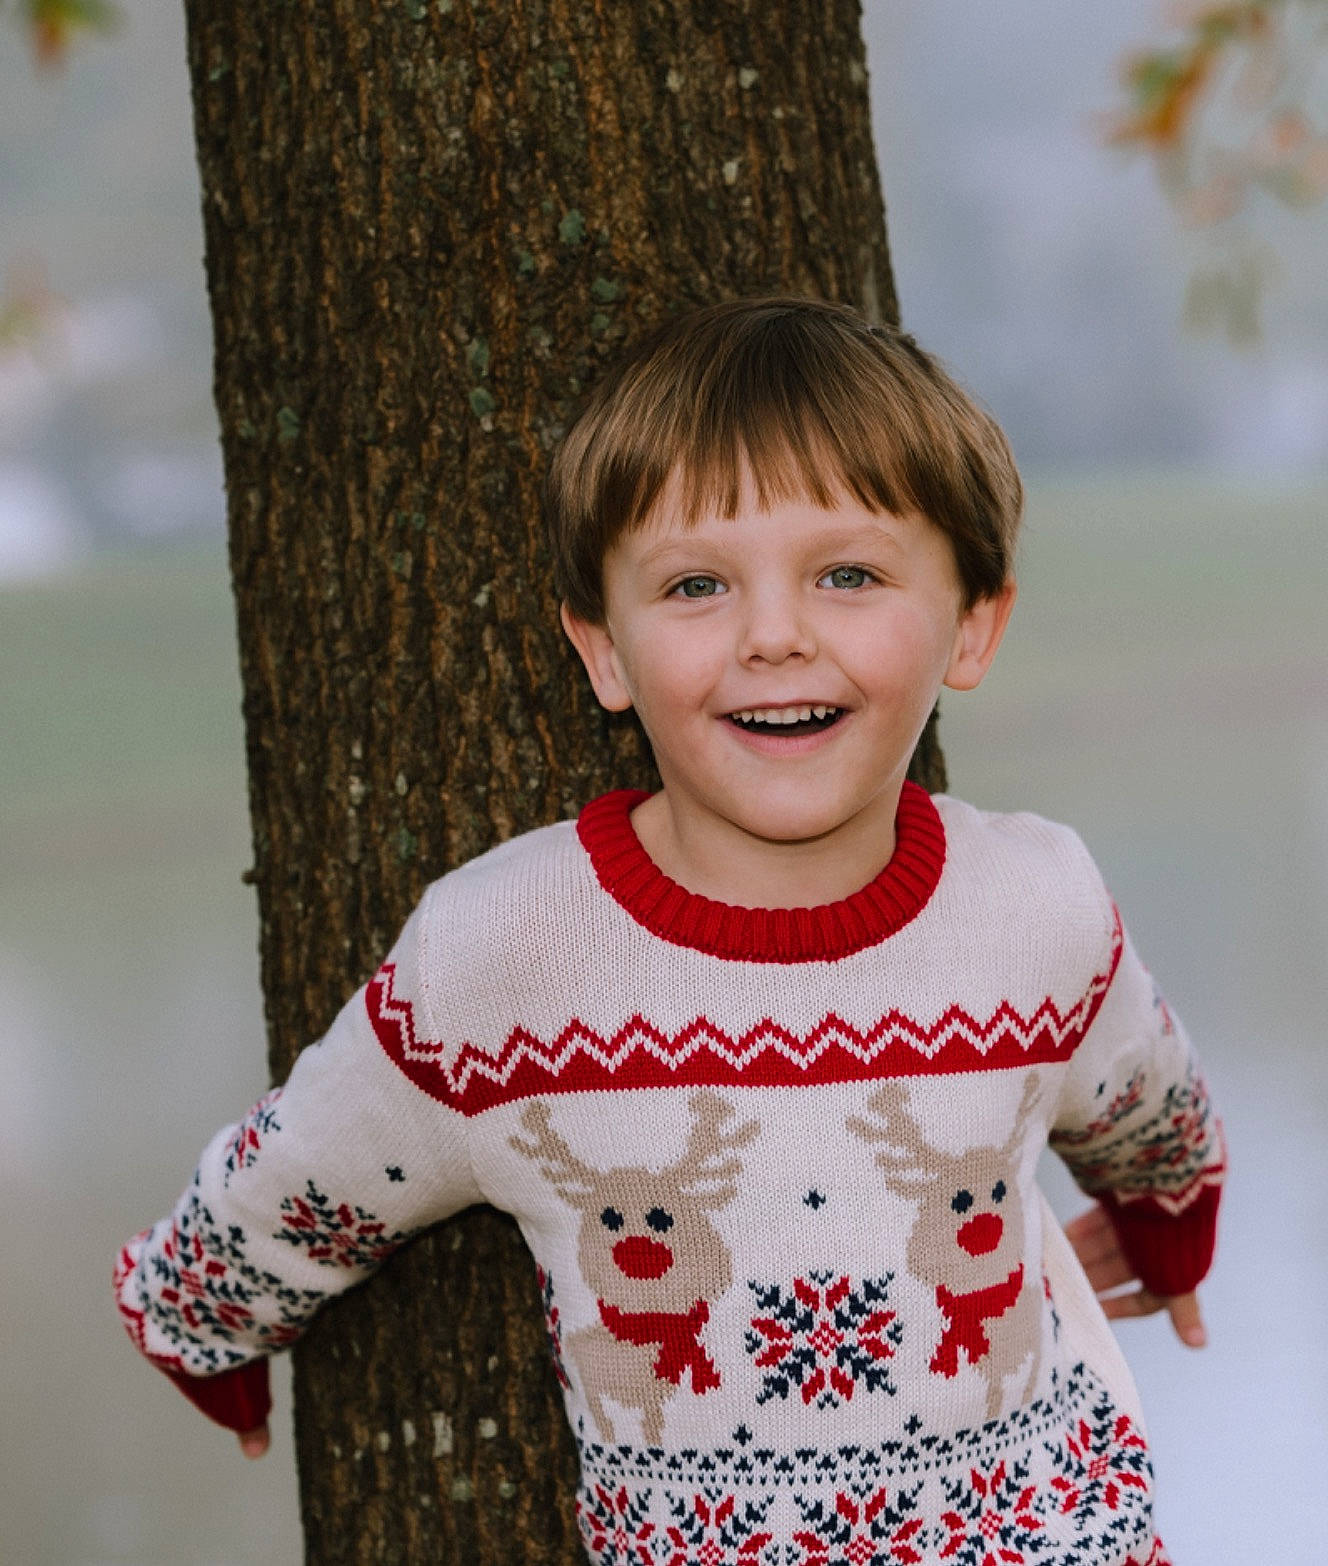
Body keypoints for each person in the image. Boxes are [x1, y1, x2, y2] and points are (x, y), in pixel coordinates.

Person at [114, 296, 1226, 1565]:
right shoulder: (503, 956)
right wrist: (200, 1322)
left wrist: (1167, 1225)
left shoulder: (1035, 902)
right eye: (696, 585)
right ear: (603, 650)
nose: (774, 636)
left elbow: (1146, 1095)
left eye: (848, 575)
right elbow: (306, 1169)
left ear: (972, 621)